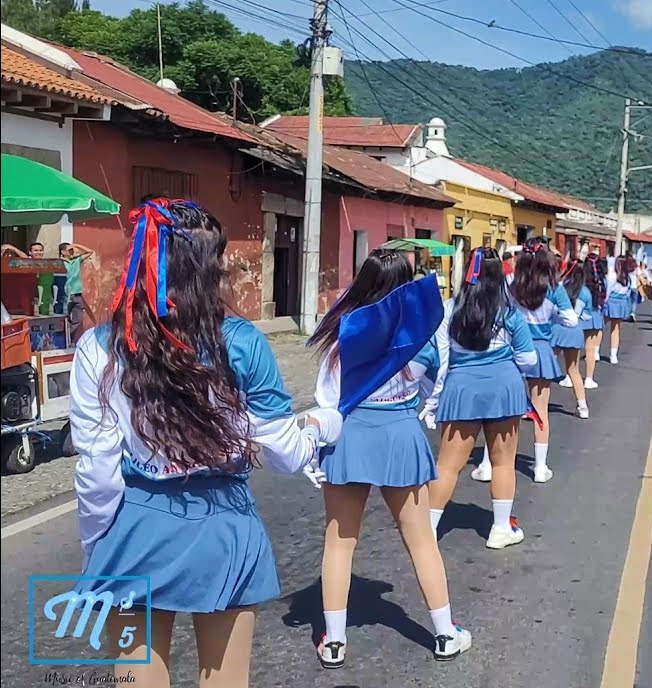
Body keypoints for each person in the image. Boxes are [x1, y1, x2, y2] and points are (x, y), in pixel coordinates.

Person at [70, 198, 342, 685]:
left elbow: (97, 468)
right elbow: (284, 454)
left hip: (134, 526)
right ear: (210, 266)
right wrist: (321, 427)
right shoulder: (243, 341)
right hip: (224, 527)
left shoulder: (99, 345)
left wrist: (96, 545)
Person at [308, 250, 470, 666]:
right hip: (400, 436)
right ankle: (445, 633)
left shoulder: (342, 331)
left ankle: (336, 642)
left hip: (349, 437)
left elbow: (327, 399)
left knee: (339, 543)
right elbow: (437, 381)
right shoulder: (421, 333)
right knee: (421, 542)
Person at [424, 247, 537, 550]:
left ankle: (428, 530)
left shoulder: (449, 309)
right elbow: (528, 359)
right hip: (505, 389)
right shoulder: (509, 312)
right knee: (503, 463)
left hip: (462, 390)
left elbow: (440, 357)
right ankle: (500, 529)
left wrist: (432, 399)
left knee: (447, 465)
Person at [473, 239, 577, 485]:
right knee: (541, 411)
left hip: (511, 348)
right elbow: (571, 321)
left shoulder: (510, 284)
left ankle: (488, 464)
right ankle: (540, 468)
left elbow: (498, 310)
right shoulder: (555, 288)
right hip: (540, 350)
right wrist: (552, 320)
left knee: (501, 412)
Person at [553, 257, 592, 418]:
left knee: (544, 370)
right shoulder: (586, 292)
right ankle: (583, 407)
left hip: (558, 329)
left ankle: (534, 404)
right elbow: (587, 316)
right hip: (575, 332)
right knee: (573, 369)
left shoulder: (560, 287)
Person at [581, 254, 607, 388]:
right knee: (590, 349)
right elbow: (605, 298)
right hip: (595, 314)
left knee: (573, 349)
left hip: (579, 315)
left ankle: (569, 376)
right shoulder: (602, 281)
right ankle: (588, 379)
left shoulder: (580, 280)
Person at [603, 256, 634, 364]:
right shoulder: (628, 278)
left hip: (610, 302)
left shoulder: (612, 276)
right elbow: (628, 292)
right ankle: (613, 355)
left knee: (600, 327)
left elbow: (607, 291)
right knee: (615, 330)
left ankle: (596, 351)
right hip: (621, 303)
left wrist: (603, 302)